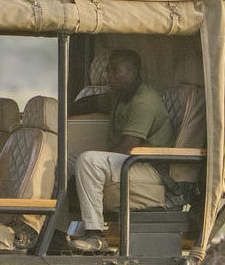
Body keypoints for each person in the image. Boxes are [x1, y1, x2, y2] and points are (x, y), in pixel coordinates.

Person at [67, 49, 174, 252]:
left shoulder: (144, 101)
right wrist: (62, 110)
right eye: (108, 70)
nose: (109, 75)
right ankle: (57, 230)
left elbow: (128, 146)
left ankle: (95, 235)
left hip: (148, 168)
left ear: (133, 72)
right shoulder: (119, 95)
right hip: (129, 163)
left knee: (88, 161)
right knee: (63, 161)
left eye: (116, 71)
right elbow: (89, 102)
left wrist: (87, 171)